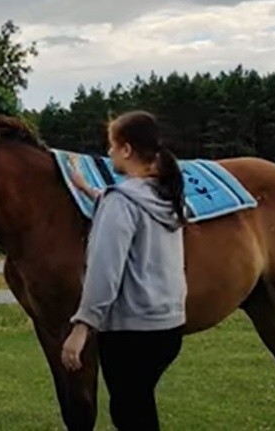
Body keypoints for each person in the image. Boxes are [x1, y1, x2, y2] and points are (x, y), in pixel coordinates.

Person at [61, 110, 188, 431]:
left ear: (128, 150)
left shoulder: (122, 202)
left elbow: (104, 271)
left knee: (131, 414)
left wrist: (82, 326)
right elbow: (122, 202)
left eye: (112, 145)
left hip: (131, 333)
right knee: (140, 405)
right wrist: (87, 188)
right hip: (168, 329)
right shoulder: (164, 196)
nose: (109, 152)